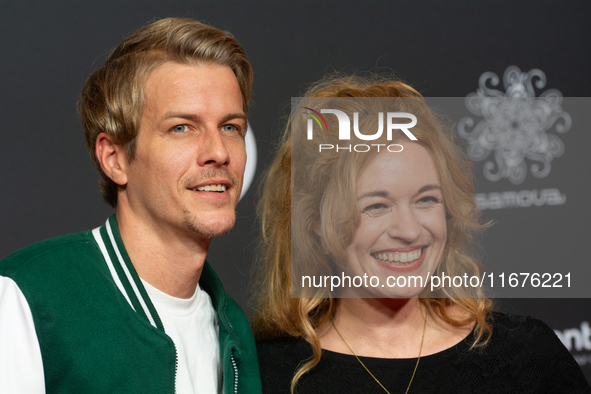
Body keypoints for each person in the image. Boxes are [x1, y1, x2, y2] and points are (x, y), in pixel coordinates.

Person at [252, 75, 590, 393]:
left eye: (426, 200)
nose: (410, 231)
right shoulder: (264, 371)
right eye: (376, 206)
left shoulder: (527, 356)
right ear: (316, 222)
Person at [0, 17, 261, 394]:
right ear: (114, 158)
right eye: (181, 128)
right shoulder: (27, 298)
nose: (218, 152)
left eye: (231, 127)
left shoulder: (236, 330)